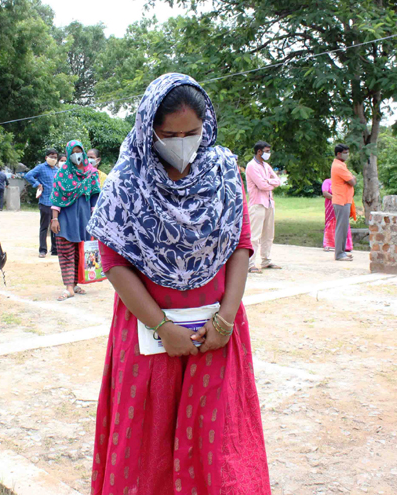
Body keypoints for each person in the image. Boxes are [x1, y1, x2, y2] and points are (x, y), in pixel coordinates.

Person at [86, 73, 270, 494]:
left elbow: (241, 245)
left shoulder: (223, 170)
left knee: (219, 447)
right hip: (150, 337)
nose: (182, 142)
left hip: (216, 335)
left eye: (192, 132)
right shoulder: (128, 181)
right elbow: (113, 260)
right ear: (149, 128)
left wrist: (225, 320)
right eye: (170, 134)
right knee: (146, 448)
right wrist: (162, 327)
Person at [50, 140, 101, 301]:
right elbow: (56, 197)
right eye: (72, 152)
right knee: (66, 251)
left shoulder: (91, 173)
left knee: (80, 251)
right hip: (65, 217)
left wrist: (95, 219)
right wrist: (54, 219)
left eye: (79, 151)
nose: (76, 155)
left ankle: (76, 283)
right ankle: (69, 287)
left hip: (84, 218)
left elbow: (94, 196)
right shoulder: (62, 173)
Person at [244, 141, 282, 273]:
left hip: (269, 202)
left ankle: (266, 260)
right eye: (266, 151)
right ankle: (250, 263)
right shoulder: (251, 166)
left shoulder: (266, 166)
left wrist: (269, 182)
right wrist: (270, 183)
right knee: (255, 235)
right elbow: (262, 185)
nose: (268, 154)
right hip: (257, 204)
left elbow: (277, 180)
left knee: (268, 234)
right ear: (259, 151)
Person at [24, 148, 60, 258]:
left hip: (55, 203)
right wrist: (37, 184)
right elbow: (28, 175)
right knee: (44, 226)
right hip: (45, 201)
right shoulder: (41, 168)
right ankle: (43, 250)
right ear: (46, 157)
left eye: (55, 157)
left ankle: (54, 249)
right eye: (51, 156)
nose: (53, 159)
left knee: (55, 226)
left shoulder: (57, 170)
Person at [331, 144, 357, 261]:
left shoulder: (341, 165)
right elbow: (352, 181)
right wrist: (352, 179)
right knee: (341, 227)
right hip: (341, 201)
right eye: (345, 152)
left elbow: (350, 181)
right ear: (338, 154)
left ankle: (342, 251)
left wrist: (351, 179)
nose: (347, 154)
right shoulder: (339, 166)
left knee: (344, 227)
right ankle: (339, 253)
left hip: (345, 199)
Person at [322, 178, 353, 253]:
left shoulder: (343, 182)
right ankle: (329, 244)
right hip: (331, 207)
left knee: (343, 222)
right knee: (331, 223)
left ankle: (345, 245)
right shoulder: (327, 182)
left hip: (343, 205)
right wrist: (336, 198)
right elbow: (325, 193)